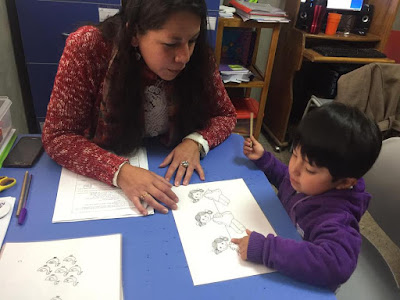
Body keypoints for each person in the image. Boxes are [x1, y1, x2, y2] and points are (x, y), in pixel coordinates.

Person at [42, 0, 236, 216]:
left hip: (168, 166)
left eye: (192, 40)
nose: (184, 57)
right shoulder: (89, 47)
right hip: (107, 171)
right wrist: (119, 172)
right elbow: (58, 136)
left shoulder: (199, 57)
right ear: (134, 34)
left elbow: (225, 115)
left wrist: (196, 141)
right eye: (171, 44)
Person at [231, 102, 382, 290]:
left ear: (344, 182)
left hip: (301, 279)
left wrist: (266, 249)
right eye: (294, 154)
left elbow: (336, 266)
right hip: (283, 236)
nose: (294, 169)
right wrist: (265, 160)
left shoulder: (336, 218)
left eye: (310, 169)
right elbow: (286, 178)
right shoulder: (306, 182)